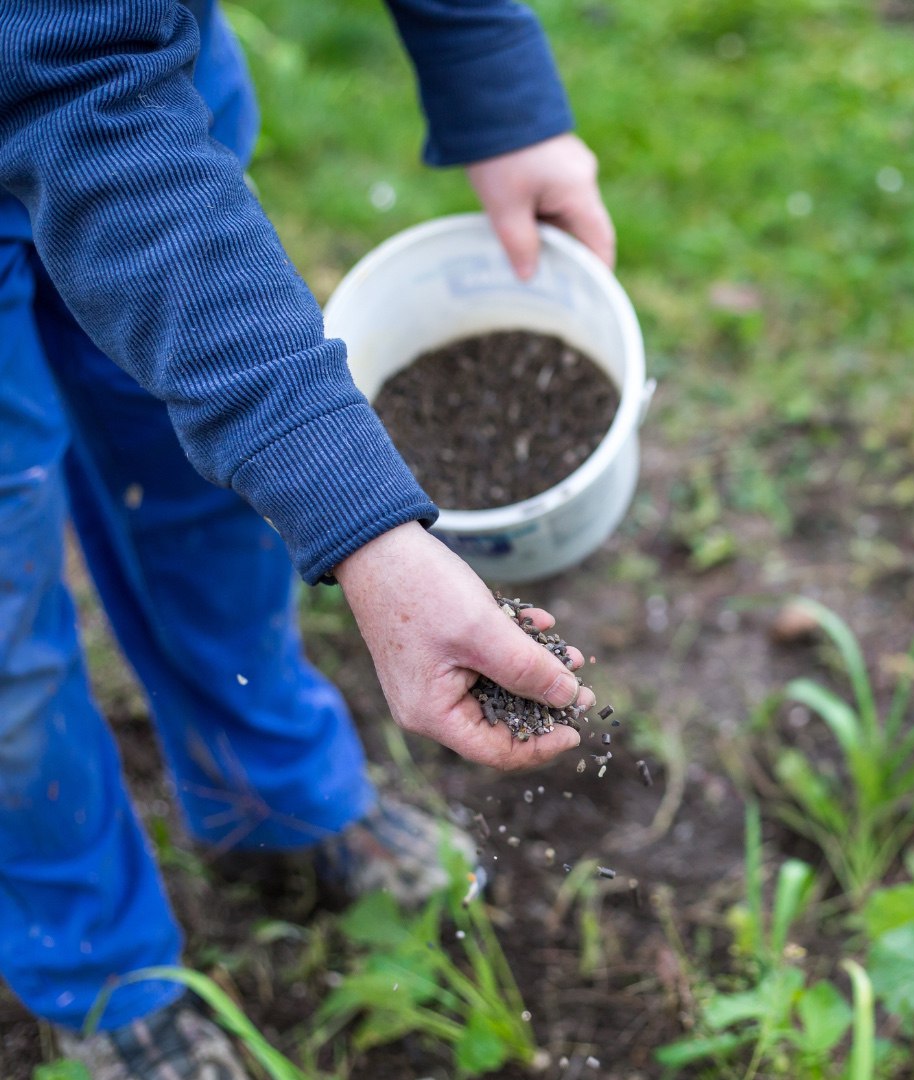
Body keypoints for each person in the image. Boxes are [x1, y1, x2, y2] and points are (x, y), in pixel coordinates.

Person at [0, 1, 615, 1076]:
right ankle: (99, 973)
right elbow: (60, 77)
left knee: (203, 480)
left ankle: (272, 799)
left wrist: (490, 74)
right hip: (77, 79)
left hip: (141, 80)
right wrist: (368, 528)